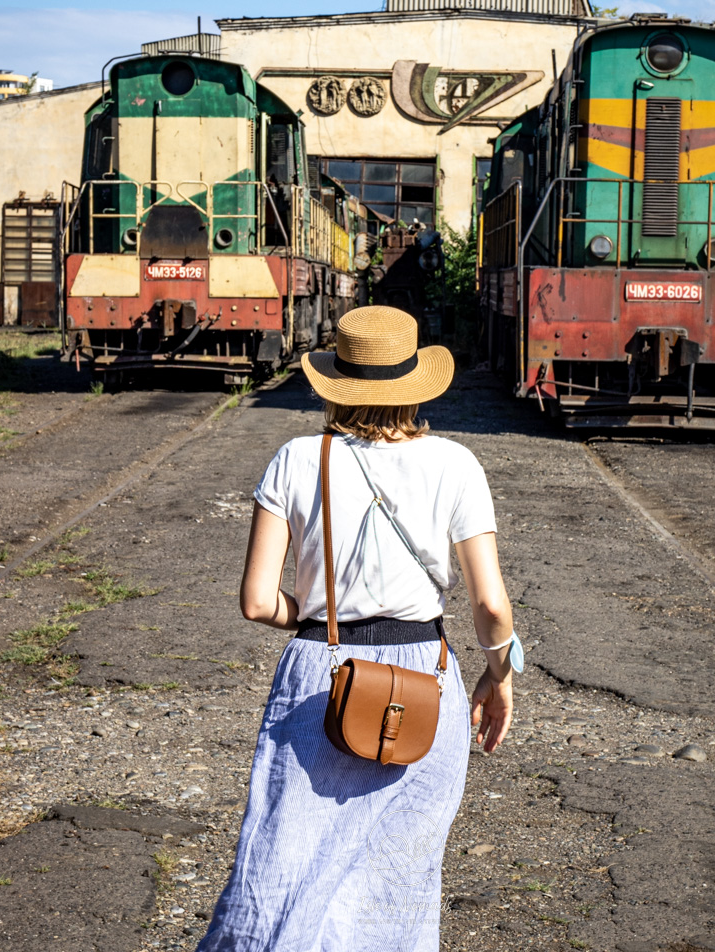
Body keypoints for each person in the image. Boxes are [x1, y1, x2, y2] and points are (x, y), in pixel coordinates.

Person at [196, 305, 518, 952]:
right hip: (425, 680)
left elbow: (258, 603)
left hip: (323, 673)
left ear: (334, 380)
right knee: (398, 881)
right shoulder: (456, 465)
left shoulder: (293, 459)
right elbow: (492, 608)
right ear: (414, 383)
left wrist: (317, 615)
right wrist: (498, 674)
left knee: (281, 872)